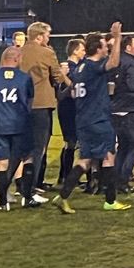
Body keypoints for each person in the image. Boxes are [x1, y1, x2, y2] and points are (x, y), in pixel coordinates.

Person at [52, 23, 126, 213]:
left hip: (83, 120)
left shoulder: (80, 67)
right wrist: (117, 38)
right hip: (98, 120)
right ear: (99, 48)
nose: (107, 48)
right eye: (105, 46)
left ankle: (63, 196)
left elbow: (74, 92)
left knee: (85, 160)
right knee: (109, 156)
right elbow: (113, 63)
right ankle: (110, 201)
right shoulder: (93, 66)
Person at [0, 45, 36, 210]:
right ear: (16, 59)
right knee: (27, 158)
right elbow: (30, 102)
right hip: (21, 125)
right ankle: (27, 198)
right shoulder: (25, 78)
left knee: (1, 163)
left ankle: (3, 203)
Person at [18, 21, 67, 195]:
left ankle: (18, 184)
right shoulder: (46, 52)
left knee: (22, 147)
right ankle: (31, 187)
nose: (48, 38)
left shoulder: (18, 52)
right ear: (39, 36)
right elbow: (58, 77)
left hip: (21, 104)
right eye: (47, 35)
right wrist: (65, 76)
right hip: (41, 103)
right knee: (38, 148)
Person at [109, 32, 134, 194]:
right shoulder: (132, 63)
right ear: (128, 48)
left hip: (115, 110)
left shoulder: (116, 61)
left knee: (123, 147)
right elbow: (131, 83)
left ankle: (116, 182)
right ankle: (124, 181)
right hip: (130, 110)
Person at [55, 36, 85, 188]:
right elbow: (70, 89)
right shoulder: (69, 68)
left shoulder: (73, 67)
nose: (84, 52)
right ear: (75, 51)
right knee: (71, 143)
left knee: (72, 142)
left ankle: (64, 176)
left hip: (71, 108)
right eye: (82, 49)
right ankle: (66, 176)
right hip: (68, 109)